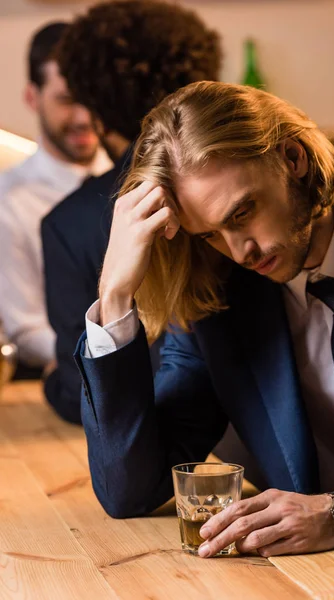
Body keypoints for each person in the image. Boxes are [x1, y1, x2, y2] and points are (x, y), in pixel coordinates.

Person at [76, 82, 334, 587]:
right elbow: (130, 489)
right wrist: (116, 295)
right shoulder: (222, 301)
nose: (238, 251)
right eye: (208, 234)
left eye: (241, 213)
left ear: (292, 158)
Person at [41, 0, 221, 423]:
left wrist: (52, 384)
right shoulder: (228, 186)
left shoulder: (67, 224)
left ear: (96, 109)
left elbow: (81, 391)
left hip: (153, 439)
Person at [0, 22, 110, 376]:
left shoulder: (132, 176)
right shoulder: (9, 201)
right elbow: (25, 328)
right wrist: (105, 357)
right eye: (66, 100)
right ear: (33, 97)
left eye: (93, 99)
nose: (84, 117)